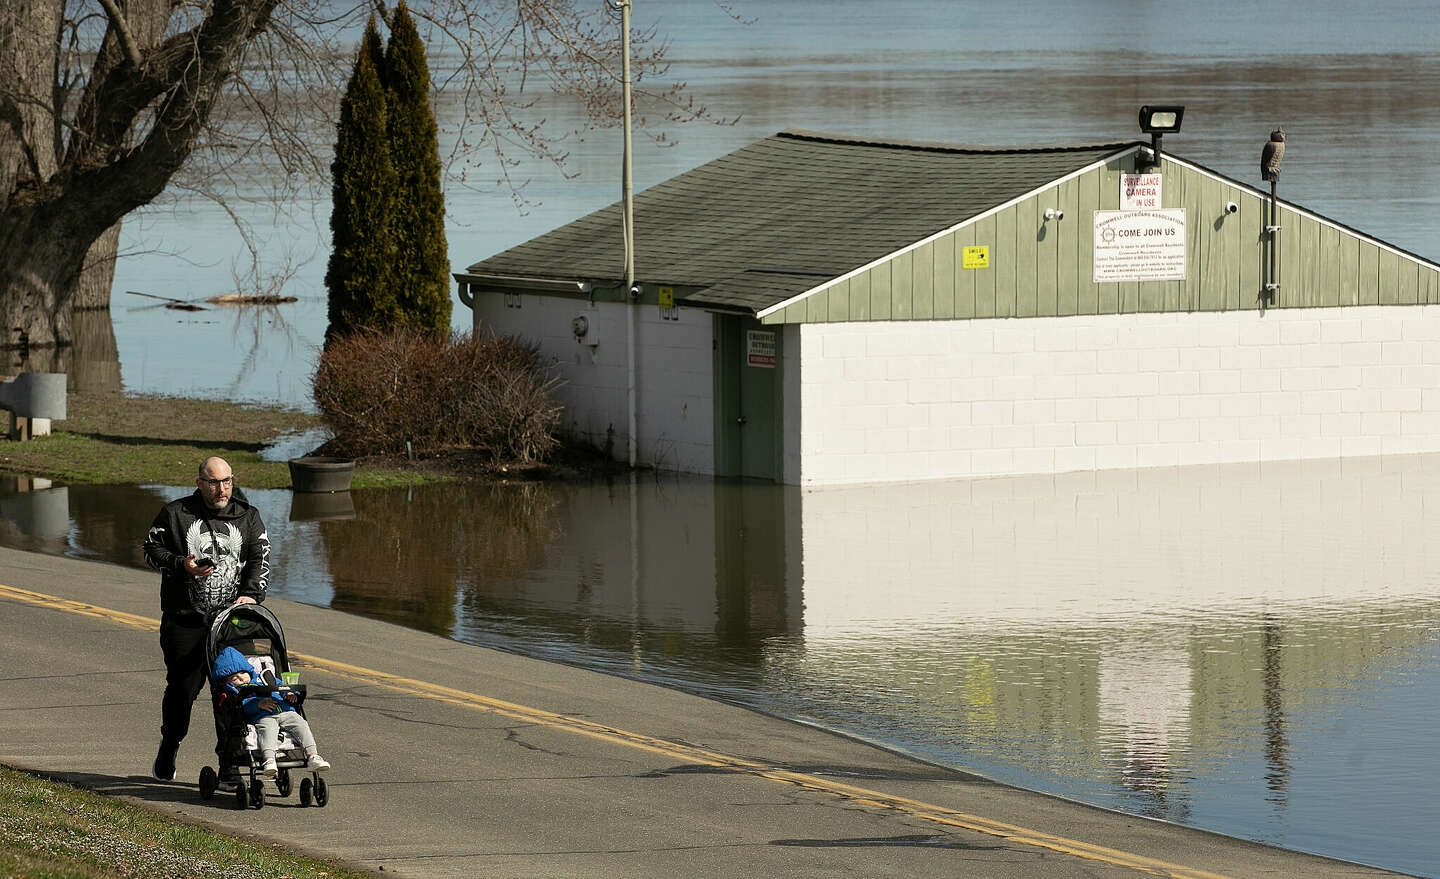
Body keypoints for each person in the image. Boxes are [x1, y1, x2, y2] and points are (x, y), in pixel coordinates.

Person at [143, 456, 271, 782]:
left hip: (230, 623)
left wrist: (252, 595)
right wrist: (181, 564)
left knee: (232, 690)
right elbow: (150, 550)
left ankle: (229, 762)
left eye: (226, 481)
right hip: (184, 622)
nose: (221, 489)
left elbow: (259, 558)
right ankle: (170, 743)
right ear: (199, 482)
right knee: (182, 691)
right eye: (214, 482)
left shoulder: (248, 516)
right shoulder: (176, 514)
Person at [210, 646, 329, 775]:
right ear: (229, 683)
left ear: (248, 671)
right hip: (264, 716)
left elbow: (279, 685)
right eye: (235, 678)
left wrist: (289, 693)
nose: (241, 678)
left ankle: (313, 755)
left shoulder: (264, 677)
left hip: (286, 711)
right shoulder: (238, 692)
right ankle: (269, 759)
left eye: (242, 673)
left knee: (301, 724)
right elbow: (242, 706)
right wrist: (258, 704)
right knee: (268, 731)